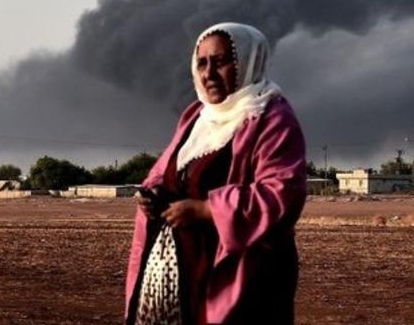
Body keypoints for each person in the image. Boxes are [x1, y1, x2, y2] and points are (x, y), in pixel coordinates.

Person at [123, 22, 307, 325]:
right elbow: (165, 172)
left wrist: (207, 210)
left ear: (247, 62)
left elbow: (282, 194)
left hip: (241, 277)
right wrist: (153, 194)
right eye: (202, 62)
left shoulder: (270, 117)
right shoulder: (196, 116)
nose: (208, 73)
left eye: (220, 62)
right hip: (181, 277)